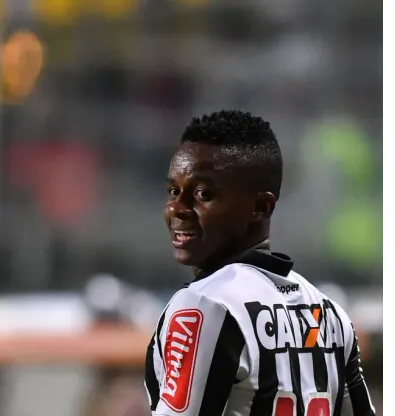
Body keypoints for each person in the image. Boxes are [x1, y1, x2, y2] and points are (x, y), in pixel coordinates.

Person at [143, 110, 375, 416]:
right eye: (173, 191)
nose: (175, 209)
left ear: (260, 207)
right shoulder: (330, 315)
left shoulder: (206, 305)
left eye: (202, 193)